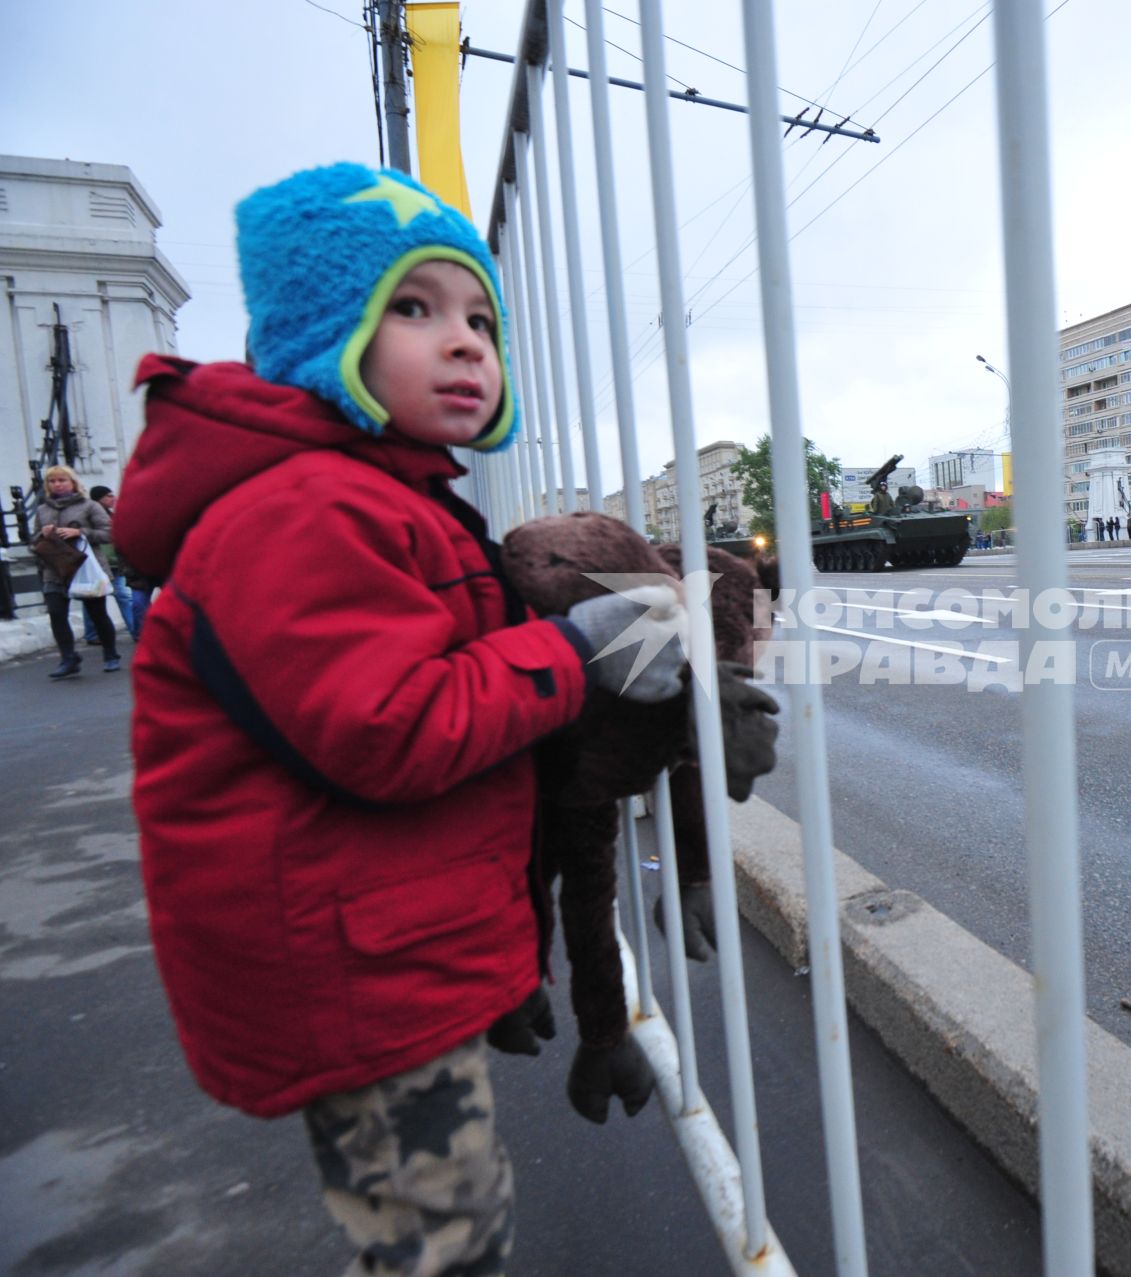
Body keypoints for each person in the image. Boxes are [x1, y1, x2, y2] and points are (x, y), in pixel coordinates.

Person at [113, 164, 695, 1277]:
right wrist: (576, 648)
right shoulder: (304, 507)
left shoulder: (374, 493)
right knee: (439, 1238)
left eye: (480, 317)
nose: (468, 342)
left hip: (370, 940)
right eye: (413, 309)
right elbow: (386, 726)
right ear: (325, 335)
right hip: (347, 969)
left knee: (440, 1219)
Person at [33, 465, 119, 678]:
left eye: (62, 480)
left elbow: (109, 533)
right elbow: (32, 541)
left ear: (72, 483)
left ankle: (110, 654)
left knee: (97, 613)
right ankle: (69, 658)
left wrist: (79, 532)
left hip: (86, 567)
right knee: (56, 613)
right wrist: (42, 535)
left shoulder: (89, 506)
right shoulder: (43, 510)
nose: (57, 484)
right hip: (55, 570)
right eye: (52, 481)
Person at [82, 485, 138, 643]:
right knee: (105, 597)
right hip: (103, 563)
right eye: (108, 496)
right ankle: (135, 630)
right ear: (98, 499)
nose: (113, 499)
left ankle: (93, 633)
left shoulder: (111, 516)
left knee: (101, 596)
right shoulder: (93, 517)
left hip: (115, 562)